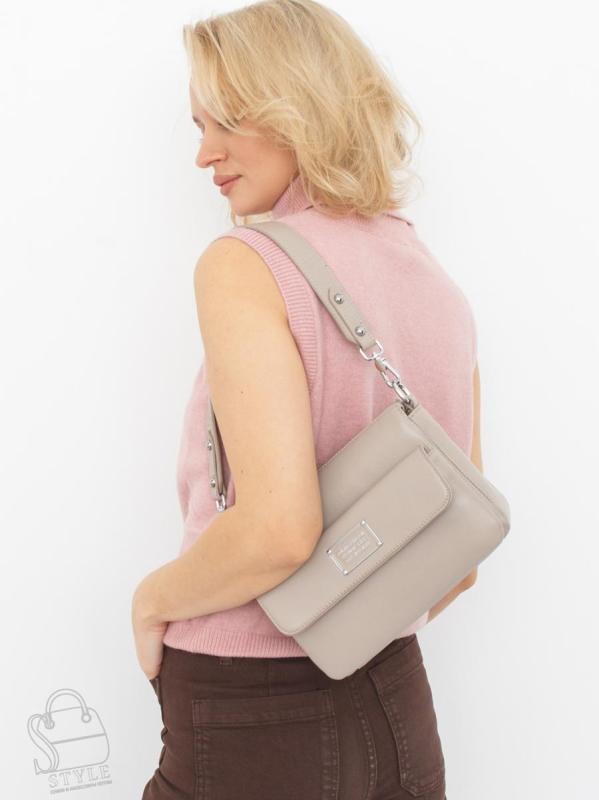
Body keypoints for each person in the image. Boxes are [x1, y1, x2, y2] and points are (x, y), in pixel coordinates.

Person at [133, 1, 481, 797]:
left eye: (227, 120)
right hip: (398, 698)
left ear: (298, 105)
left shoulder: (245, 261)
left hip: (246, 709)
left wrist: (150, 601)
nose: (204, 153)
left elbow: (278, 530)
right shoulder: (431, 277)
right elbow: (457, 551)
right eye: (198, 125)